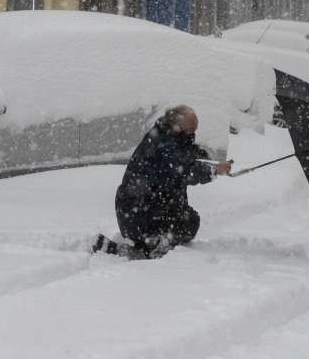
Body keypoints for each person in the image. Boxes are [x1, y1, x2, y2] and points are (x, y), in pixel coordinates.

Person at [93, 105, 232, 259]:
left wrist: (205, 160)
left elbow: (182, 159)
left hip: (137, 211)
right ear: (178, 127)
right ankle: (149, 247)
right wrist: (214, 170)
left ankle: (148, 243)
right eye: (191, 130)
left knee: (186, 216)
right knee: (188, 222)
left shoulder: (166, 136)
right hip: (140, 213)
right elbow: (185, 170)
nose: (193, 133)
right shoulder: (163, 144)